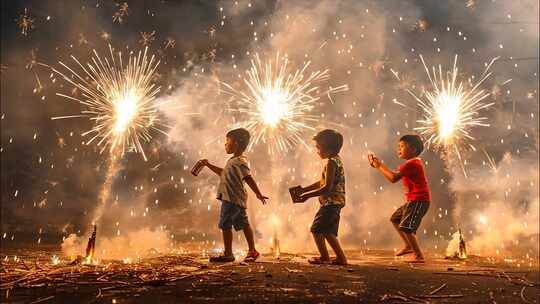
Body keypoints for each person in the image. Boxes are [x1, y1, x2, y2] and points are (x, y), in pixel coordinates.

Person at [196, 128, 268, 262]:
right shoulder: (233, 161)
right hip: (236, 199)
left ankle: (229, 254)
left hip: (231, 199)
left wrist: (258, 194)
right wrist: (208, 165)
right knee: (244, 224)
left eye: (227, 140)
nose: (225, 144)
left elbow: (248, 177)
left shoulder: (240, 161)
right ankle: (252, 250)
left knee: (225, 225)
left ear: (235, 143)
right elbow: (223, 173)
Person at [368, 134, 431, 263]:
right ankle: (408, 246)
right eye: (399, 146)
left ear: (413, 149)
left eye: (402, 146)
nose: (399, 149)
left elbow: (393, 178)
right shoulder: (411, 163)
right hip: (413, 200)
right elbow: (394, 176)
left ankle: (418, 256)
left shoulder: (412, 164)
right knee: (395, 218)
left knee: (406, 227)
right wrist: (378, 165)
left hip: (419, 200)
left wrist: (379, 165)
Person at [296, 129, 348, 265]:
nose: (317, 151)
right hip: (336, 201)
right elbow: (322, 182)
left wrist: (307, 196)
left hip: (330, 203)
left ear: (328, 148)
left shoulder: (331, 163)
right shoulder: (337, 161)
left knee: (317, 229)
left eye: (319, 148)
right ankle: (338, 257)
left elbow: (326, 187)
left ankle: (329, 257)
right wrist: (304, 189)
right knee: (327, 231)